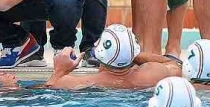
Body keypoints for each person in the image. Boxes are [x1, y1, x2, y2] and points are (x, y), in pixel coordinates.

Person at [46, 24, 182, 89]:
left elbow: (50, 88)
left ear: (98, 54)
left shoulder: (82, 82)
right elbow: (174, 65)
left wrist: (60, 71)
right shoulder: (154, 74)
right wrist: (131, 55)